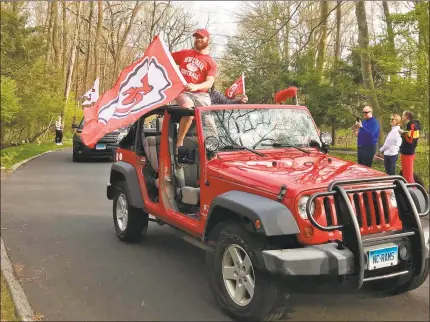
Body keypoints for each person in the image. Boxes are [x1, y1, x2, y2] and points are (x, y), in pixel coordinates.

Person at [171, 28, 217, 151]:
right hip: (184, 92)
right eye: (196, 37)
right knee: (188, 111)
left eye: (201, 37)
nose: (198, 39)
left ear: (208, 39)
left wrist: (196, 86)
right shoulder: (185, 53)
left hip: (202, 95)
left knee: (209, 122)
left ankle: (213, 150)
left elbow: (209, 82)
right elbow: (167, 59)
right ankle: (179, 144)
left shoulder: (211, 62)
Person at [399, 110, 420, 183]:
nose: (402, 117)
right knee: (405, 176)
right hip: (405, 152)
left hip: (408, 153)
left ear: (407, 116)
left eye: (403, 115)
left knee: (409, 177)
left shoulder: (412, 125)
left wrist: (402, 133)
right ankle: (407, 191)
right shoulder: (409, 125)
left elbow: (411, 140)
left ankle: (414, 191)